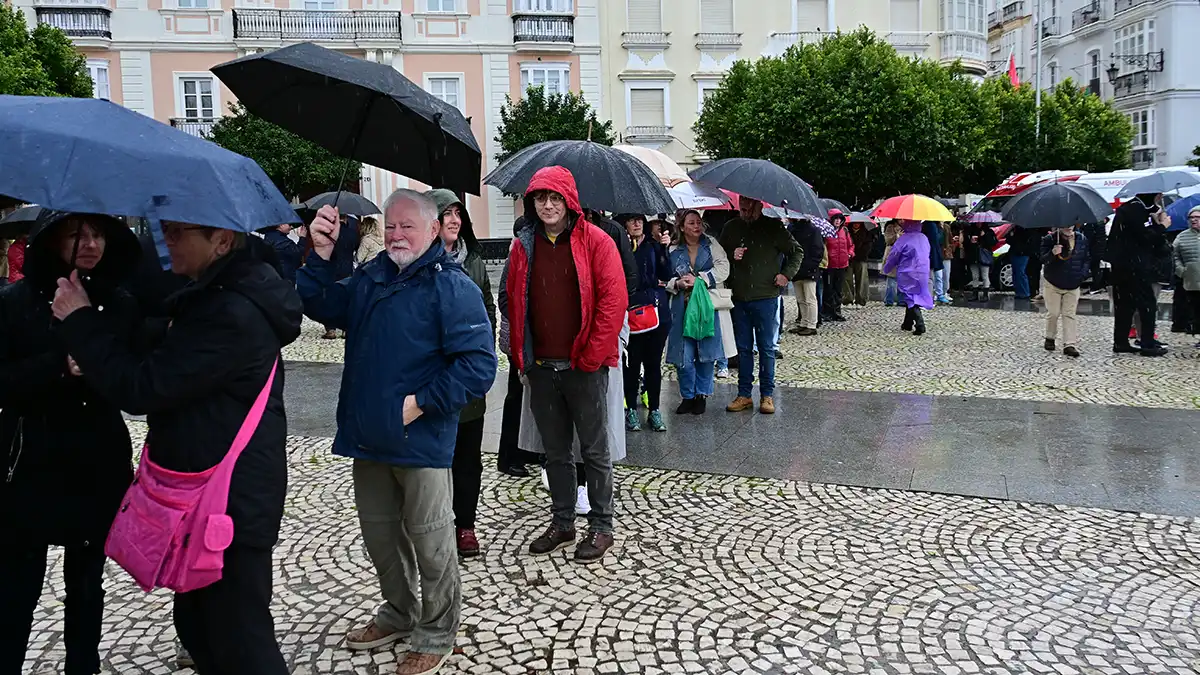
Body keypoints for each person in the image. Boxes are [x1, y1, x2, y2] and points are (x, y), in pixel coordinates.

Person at [51, 217, 303, 675]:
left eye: (177, 233)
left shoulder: (230, 312)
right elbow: (160, 336)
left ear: (221, 240)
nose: (165, 243)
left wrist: (80, 320)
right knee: (200, 627)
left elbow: (142, 388)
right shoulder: (215, 292)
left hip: (229, 507)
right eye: (164, 230)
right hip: (203, 498)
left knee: (240, 643)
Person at [298, 191, 495, 675]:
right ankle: (399, 610)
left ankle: (437, 628)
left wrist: (420, 403)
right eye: (390, 226)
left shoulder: (452, 287)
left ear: (433, 230)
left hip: (421, 439)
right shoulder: (371, 277)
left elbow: (478, 365)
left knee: (431, 540)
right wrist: (321, 255)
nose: (396, 235)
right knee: (380, 536)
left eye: (407, 226)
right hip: (369, 434)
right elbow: (323, 304)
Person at [0, 212, 140, 675]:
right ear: (51, 239)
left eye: (99, 233)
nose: (90, 243)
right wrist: (58, 365)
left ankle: (84, 665)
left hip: (95, 461)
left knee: (86, 582)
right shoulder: (15, 302)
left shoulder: (116, 302)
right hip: (31, 463)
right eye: (78, 232)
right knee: (17, 584)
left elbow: (131, 380)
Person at [501, 166, 626, 564]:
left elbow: (612, 301)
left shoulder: (598, 242)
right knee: (554, 452)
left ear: (569, 201)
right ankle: (563, 521)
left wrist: (591, 357)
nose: (548, 205)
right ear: (532, 203)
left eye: (554, 198)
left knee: (594, 450)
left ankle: (602, 526)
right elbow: (511, 297)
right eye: (540, 198)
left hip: (584, 367)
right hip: (541, 366)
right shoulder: (524, 245)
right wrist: (522, 356)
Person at [426, 188, 497, 559]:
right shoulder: (416, 263)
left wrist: (482, 358)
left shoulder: (475, 263)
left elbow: (488, 312)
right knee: (434, 459)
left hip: (468, 380)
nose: (454, 219)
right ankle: (434, 525)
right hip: (432, 379)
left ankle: (465, 526)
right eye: (446, 213)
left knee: (468, 458)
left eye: (457, 213)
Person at [718, 196, 802, 415]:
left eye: (748, 208)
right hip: (739, 297)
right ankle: (744, 394)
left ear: (759, 206)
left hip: (766, 296)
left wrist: (786, 275)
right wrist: (730, 254)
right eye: (741, 208)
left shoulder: (773, 227)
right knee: (743, 349)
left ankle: (767, 395)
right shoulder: (731, 228)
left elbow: (797, 252)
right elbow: (716, 258)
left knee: (766, 349)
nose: (744, 212)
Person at [667, 210, 730, 414]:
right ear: (683, 227)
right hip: (681, 306)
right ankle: (687, 395)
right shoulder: (673, 248)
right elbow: (662, 277)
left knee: (706, 353)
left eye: (699, 222)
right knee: (683, 356)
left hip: (705, 306)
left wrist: (702, 278)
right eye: (692, 223)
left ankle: (701, 394)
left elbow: (724, 267)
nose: (697, 226)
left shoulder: (711, 244)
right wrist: (677, 282)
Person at [617, 213, 671, 432]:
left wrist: (664, 249)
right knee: (631, 365)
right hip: (630, 313)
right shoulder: (619, 248)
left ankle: (655, 410)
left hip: (655, 313)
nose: (637, 223)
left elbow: (666, 274)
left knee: (653, 365)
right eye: (631, 219)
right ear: (624, 224)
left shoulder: (652, 245)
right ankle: (631, 408)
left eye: (640, 219)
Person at [1108, 194, 1171, 357]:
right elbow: (1145, 237)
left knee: (1125, 305)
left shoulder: (1132, 208)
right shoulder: (1135, 209)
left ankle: (1121, 341)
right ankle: (1147, 343)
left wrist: (1154, 222)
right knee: (1147, 304)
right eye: (1159, 195)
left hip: (1123, 265)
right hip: (1134, 265)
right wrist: (1162, 226)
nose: (1160, 198)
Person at [1040, 225, 1090, 357]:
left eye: (1070, 225)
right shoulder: (1050, 239)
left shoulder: (1082, 239)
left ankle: (1070, 344)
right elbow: (1042, 259)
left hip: (1073, 282)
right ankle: (1050, 337)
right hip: (1053, 282)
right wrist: (1052, 253)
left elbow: (1086, 259)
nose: (1068, 228)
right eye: (1065, 225)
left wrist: (1082, 275)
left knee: (1069, 314)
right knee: (1054, 313)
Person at [883, 220, 933, 336]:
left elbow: (894, 255)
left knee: (910, 297)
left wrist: (887, 268)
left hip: (908, 272)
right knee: (914, 296)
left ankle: (920, 324)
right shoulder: (923, 238)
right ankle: (907, 323)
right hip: (923, 271)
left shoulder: (904, 239)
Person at [787, 217, 825, 335]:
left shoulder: (813, 230)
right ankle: (804, 322)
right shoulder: (792, 229)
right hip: (797, 268)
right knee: (801, 299)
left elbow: (818, 250)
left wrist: (811, 265)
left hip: (808, 269)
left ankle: (811, 324)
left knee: (809, 298)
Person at [1172, 206, 1200, 347]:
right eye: (1191, 217)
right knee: (1196, 309)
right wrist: (1181, 271)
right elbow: (1175, 255)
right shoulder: (1182, 236)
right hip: (1191, 280)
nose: (1194, 220)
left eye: (1197, 217)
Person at [821, 210, 852, 321]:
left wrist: (850, 253)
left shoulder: (845, 231)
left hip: (842, 264)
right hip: (830, 265)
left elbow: (850, 245)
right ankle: (827, 312)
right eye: (835, 218)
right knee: (828, 289)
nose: (838, 221)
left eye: (840, 218)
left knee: (838, 290)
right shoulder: (825, 231)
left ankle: (837, 312)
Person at [962, 221, 997, 301]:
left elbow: (993, 243)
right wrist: (970, 241)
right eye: (977, 223)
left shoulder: (988, 232)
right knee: (975, 276)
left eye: (980, 223)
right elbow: (965, 244)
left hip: (983, 257)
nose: (978, 224)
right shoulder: (970, 231)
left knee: (985, 275)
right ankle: (975, 294)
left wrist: (984, 236)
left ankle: (985, 294)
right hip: (973, 256)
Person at [846, 218, 876, 306]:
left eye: (858, 222)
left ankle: (861, 299)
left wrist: (859, 254)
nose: (856, 224)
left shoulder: (866, 233)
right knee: (848, 279)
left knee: (862, 280)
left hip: (861, 258)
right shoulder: (847, 232)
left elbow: (868, 247)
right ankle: (848, 299)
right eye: (854, 222)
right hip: (849, 259)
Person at [922, 221, 947, 305]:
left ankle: (937, 294)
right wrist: (940, 229)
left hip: (932, 253)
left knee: (933, 277)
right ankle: (936, 295)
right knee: (934, 277)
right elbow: (938, 239)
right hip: (933, 254)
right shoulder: (931, 225)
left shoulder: (927, 224)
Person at [1007, 225, 1034, 300]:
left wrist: (1013, 236)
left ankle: (1025, 292)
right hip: (1015, 252)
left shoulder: (1027, 229)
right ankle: (1018, 292)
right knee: (1015, 273)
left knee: (1020, 272)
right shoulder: (1014, 229)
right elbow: (1008, 240)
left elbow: (1023, 240)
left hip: (1022, 253)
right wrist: (1011, 234)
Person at [881, 220, 902, 306]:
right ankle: (889, 300)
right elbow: (888, 240)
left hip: (903, 253)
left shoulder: (906, 227)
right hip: (892, 253)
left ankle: (902, 300)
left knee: (902, 278)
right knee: (891, 278)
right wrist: (897, 236)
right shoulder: (890, 226)